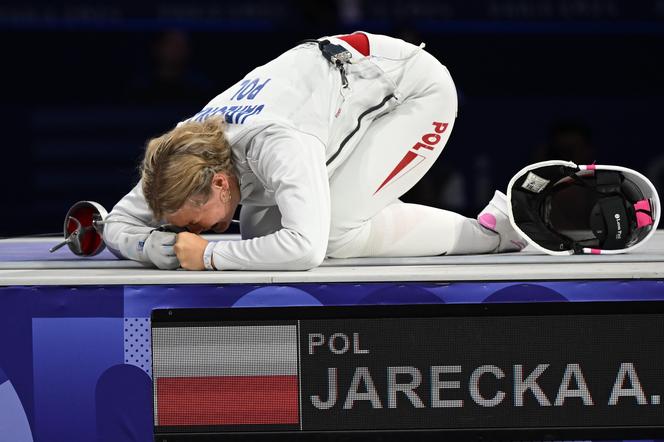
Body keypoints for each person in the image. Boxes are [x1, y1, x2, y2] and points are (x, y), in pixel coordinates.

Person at [104, 32, 525, 271]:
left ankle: (497, 231)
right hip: (338, 92)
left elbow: (306, 250)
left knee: (332, 232)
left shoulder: (278, 141)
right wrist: (147, 247)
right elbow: (116, 222)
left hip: (411, 94)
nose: (191, 233)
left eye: (193, 223)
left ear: (219, 182)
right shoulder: (181, 154)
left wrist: (209, 255)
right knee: (261, 242)